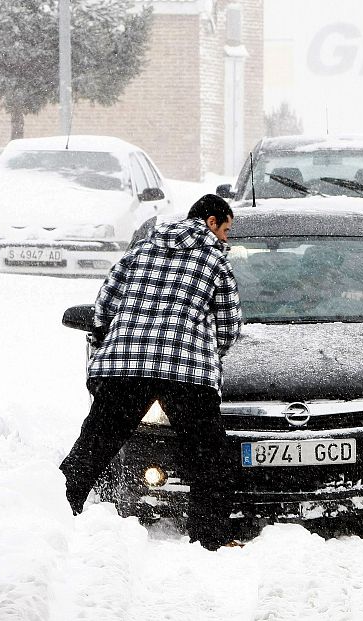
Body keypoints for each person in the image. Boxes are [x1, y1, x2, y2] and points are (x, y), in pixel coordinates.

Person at [60, 194, 242, 550]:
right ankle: (211, 537)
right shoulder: (215, 261)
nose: (226, 239)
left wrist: (112, 345)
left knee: (95, 444)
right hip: (185, 370)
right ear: (211, 222)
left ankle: (56, 510)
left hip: (124, 366)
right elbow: (228, 328)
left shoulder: (138, 252)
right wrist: (204, 349)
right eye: (226, 230)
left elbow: (103, 310)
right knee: (209, 455)